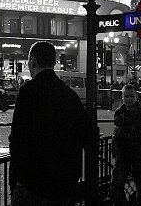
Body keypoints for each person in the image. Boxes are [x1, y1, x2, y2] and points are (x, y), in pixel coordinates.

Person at [9, 41, 89, 205]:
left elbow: (17, 138)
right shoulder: (70, 95)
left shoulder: (27, 92)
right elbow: (85, 133)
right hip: (63, 184)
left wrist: (16, 181)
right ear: (53, 63)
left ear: (33, 62)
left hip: (33, 183)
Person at [111, 84, 141, 205]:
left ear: (136, 97)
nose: (129, 99)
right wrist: (117, 153)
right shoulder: (119, 113)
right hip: (124, 156)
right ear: (123, 97)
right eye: (126, 96)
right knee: (116, 186)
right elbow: (116, 134)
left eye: (131, 96)